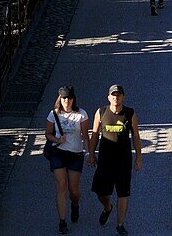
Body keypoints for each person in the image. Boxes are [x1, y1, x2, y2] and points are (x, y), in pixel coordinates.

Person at [88, 85, 142, 236]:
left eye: (118, 95)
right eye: (113, 95)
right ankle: (107, 207)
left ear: (123, 97)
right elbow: (94, 134)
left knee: (123, 193)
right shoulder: (101, 112)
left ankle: (120, 224)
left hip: (123, 161)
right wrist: (91, 154)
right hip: (105, 161)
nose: (115, 98)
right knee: (100, 192)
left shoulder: (130, 113)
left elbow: (136, 136)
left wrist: (139, 156)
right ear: (108, 97)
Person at [46, 86, 91, 235]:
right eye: (64, 98)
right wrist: (57, 139)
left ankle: (75, 203)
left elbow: (85, 135)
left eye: (69, 98)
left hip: (75, 155)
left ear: (73, 99)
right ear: (60, 99)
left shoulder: (81, 114)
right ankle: (62, 221)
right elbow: (47, 134)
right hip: (58, 153)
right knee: (61, 186)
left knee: (74, 190)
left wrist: (89, 153)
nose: (67, 101)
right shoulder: (53, 114)